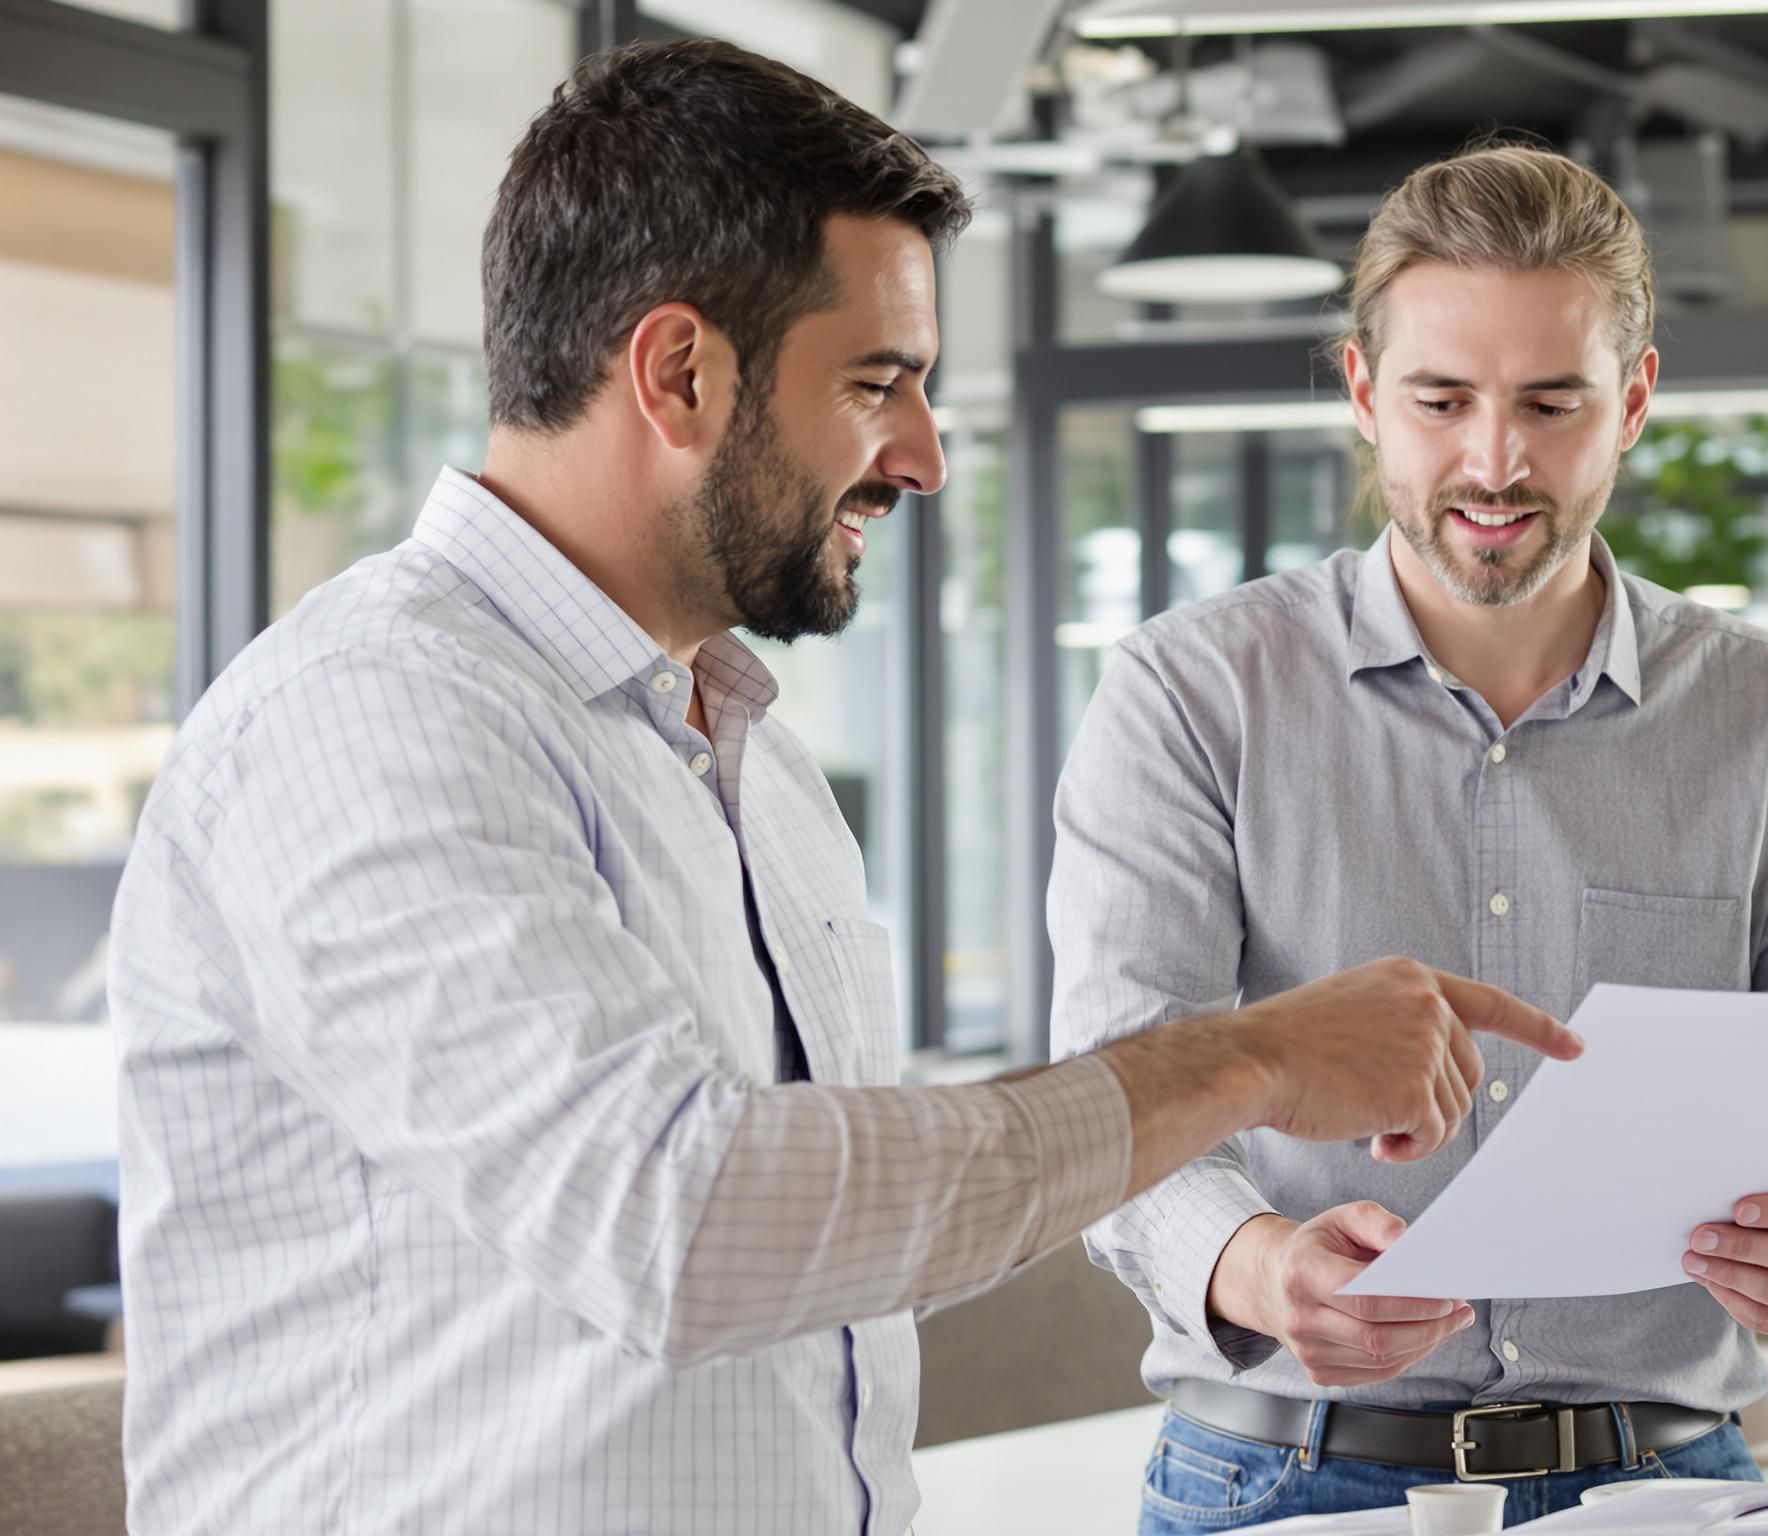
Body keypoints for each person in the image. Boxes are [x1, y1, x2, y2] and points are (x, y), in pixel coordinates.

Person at [106, 42, 1574, 1535]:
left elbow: (843, 1247)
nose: (926, 460)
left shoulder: (754, 759)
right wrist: (1242, 1065)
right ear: (680, 372)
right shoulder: (371, 718)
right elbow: (683, 1225)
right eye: (882, 383)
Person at [1051, 144, 1768, 1531]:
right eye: (1440, 400)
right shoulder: (1190, 693)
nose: (1494, 461)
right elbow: (1117, 1090)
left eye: (1551, 402)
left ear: (1633, 401)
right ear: (1363, 395)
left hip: (1667, 1478)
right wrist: (1255, 1263)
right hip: (1279, 1480)